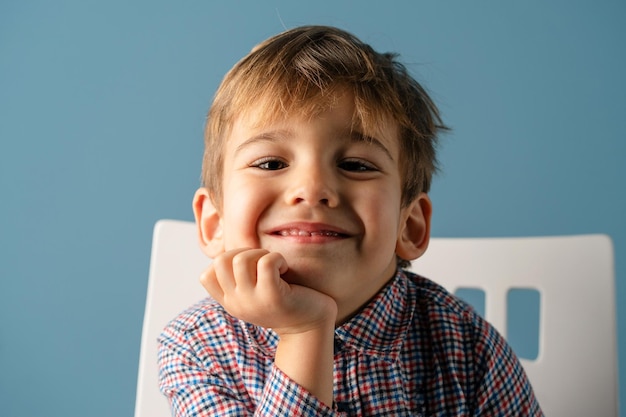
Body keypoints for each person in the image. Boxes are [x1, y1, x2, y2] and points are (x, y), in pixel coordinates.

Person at [158, 25, 543, 416]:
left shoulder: (468, 348)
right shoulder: (197, 347)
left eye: (356, 165)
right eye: (271, 163)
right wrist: (304, 331)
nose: (312, 188)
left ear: (409, 227)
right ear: (214, 223)